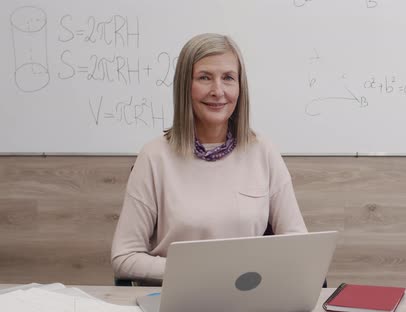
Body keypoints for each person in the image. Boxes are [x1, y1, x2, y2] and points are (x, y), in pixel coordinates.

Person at [111, 33, 308, 284]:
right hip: (177, 299)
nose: (218, 91)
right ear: (185, 86)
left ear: (240, 87)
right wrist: (200, 271)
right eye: (204, 77)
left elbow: (298, 245)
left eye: (228, 78)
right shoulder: (154, 157)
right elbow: (124, 257)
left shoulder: (263, 152)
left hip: (248, 299)